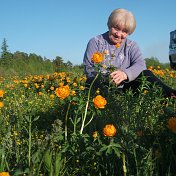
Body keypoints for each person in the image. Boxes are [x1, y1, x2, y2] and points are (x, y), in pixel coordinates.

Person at [83, 8, 176, 98]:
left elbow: (141, 64)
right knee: (91, 82)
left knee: (146, 74)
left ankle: (171, 95)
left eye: (124, 31)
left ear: (129, 32)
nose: (119, 34)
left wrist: (125, 74)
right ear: (109, 25)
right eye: (116, 28)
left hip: (124, 88)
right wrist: (106, 79)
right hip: (100, 86)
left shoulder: (131, 45)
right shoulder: (96, 42)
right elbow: (89, 68)